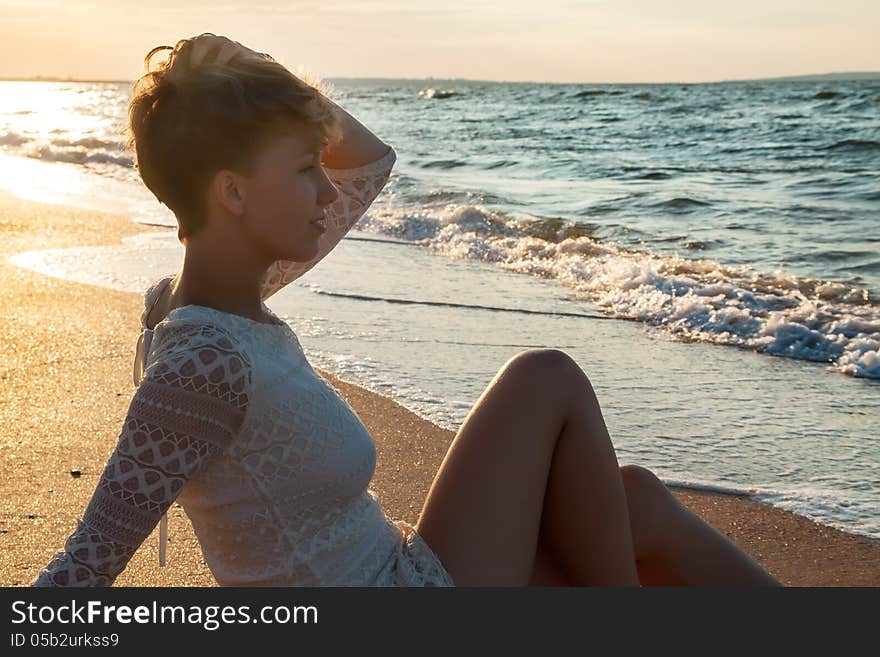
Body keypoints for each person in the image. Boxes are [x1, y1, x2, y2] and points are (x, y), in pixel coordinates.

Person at [32, 34, 779, 587]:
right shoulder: (203, 360)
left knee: (633, 498)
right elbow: (86, 564)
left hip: (398, 571)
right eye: (301, 170)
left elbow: (369, 163)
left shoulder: (223, 298)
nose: (328, 193)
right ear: (232, 192)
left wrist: (269, 80)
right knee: (544, 376)